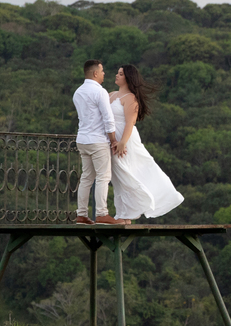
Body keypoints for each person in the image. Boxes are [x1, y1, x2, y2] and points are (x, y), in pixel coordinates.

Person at [108, 64, 183, 221]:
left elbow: (130, 122)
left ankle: (128, 214)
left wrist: (122, 142)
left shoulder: (130, 98)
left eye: (120, 74)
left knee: (127, 172)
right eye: (118, 73)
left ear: (128, 78)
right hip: (112, 139)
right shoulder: (111, 95)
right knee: (118, 176)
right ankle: (123, 214)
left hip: (125, 140)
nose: (117, 75)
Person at [72, 59, 124, 225]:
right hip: (97, 141)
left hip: (82, 139)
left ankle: (81, 214)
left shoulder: (78, 92)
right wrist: (113, 140)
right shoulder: (100, 92)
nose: (104, 74)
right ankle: (102, 213)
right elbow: (108, 119)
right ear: (95, 73)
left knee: (86, 177)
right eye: (102, 71)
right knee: (103, 177)